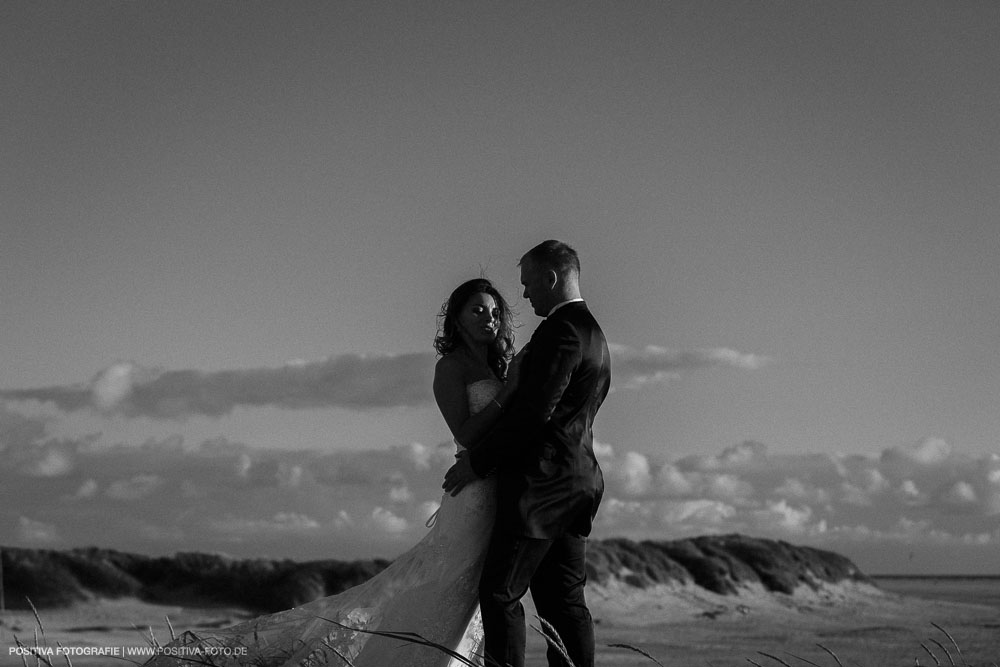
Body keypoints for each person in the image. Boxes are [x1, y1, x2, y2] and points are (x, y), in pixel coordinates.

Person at [144, 278, 520, 667]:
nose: (488, 319)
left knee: (478, 595)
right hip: (472, 496)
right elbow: (466, 434)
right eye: (476, 310)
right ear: (456, 319)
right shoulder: (451, 368)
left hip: (503, 490)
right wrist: (508, 396)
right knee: (448, 588)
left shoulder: (501, 366)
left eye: (494, 312)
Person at [444, 240, 611, 667]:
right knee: (564, 603)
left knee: (499, 594)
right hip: (577, 485)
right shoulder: (593, 333)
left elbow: (535, 414)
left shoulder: (559, 331)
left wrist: (477, 463)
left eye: (528, 282)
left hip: (541, 489)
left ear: (551, 278)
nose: (523, 294)